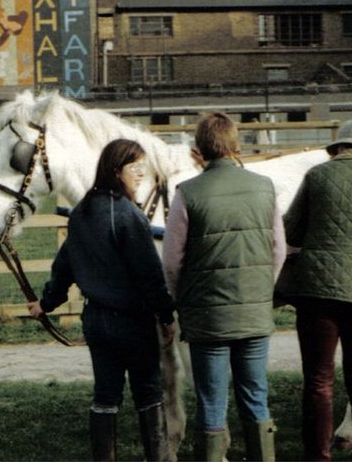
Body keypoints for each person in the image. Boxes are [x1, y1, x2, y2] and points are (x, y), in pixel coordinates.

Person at [28, 138, 176, 462]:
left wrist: (46, 303)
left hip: (96, 321)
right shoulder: (129, 215)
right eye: (134, 167)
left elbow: (64, 265)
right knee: (149, 396)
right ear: (115, 170)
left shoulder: (80, 213)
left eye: (143, 167)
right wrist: (166, 316)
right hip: (133, 322)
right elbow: (150, 275)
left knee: (105, 397)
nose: (140, 174)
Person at [162, 111, 283, 462]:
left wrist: (179, 300)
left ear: (199, 149)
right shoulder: (265, 187)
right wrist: (262, 291)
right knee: (255, 396)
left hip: (207, 319)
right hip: (254, 310)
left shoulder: (187, 193)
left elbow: (172, 262)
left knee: (211, 401)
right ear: (236, 144)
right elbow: (278, 251)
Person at [276, 119, 352, 462]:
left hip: (317, 289)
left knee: (319, 380)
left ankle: (318, 456)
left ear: (338, 147)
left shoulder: (317, 175)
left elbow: (291, 230)